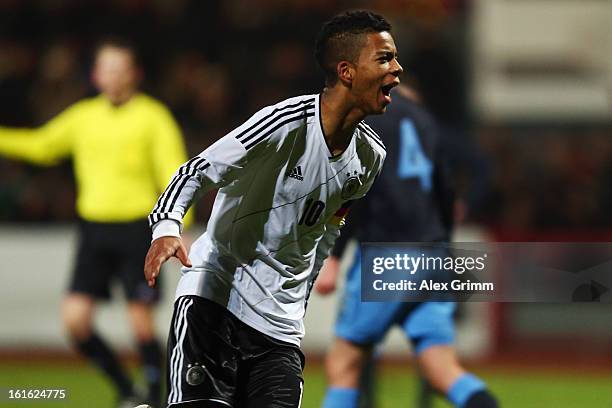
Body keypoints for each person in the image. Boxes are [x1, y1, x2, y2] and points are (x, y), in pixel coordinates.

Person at [143, 10, 401, 408]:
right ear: (347, 71)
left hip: (279, 329)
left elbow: (328, 230)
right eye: (384, 58)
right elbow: (197, 171)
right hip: (215, 301)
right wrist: (166, 227)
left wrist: (300, 296)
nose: (397, 69)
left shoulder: (370, 158)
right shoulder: (285, 123)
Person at [0, 38, 191, 407]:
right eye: (106, 68)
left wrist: (177, 226)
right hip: (94, 231)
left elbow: (175, 174)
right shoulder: (84, 116)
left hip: (138, 230)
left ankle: (157, 397)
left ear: (135, 74)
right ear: (95, 75)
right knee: (75, 322)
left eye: (120, 68)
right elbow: (41, 145)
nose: (113, 75)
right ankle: (124, 389)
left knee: (140, 323)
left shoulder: (152, 117)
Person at [315, 84, 498, 408]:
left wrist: (334, 257)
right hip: (431, 255)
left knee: (344, 364)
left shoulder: (367, 119)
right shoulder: (425, 121)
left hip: (387, 255)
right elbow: (446, 190)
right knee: (443, 369)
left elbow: (354, 193)